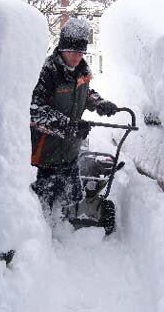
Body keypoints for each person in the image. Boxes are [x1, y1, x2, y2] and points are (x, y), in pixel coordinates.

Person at [29, 18, 118, 220]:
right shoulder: (47, 73)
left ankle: (66, 235)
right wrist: (69, 127)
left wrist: (98, 103)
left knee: (68, 202)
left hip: (69, 152)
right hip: (44, 156)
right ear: (62, 49)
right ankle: (45, 245)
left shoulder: (82, 71)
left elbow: (83, 94)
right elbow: (35, 110)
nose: (77, 57)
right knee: (42, 210)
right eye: (72, 52)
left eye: (80, 52)